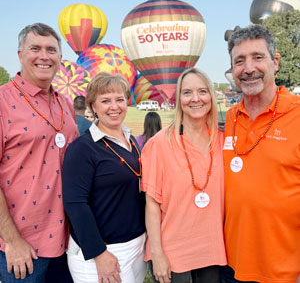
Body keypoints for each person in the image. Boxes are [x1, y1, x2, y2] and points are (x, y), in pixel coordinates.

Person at [222, 24, 300, 283]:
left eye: (258, 57)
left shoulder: (297, 115)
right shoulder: (231, 117)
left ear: (275, 62)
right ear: (232, 69)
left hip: (285, 272)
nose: (248, 68)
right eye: (239, 61)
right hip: (231, 266)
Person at [0, 23, 78, 282]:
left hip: (68, 245)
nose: (44, 56)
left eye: (51, 50)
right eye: (35, 48)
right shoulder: (3, 101)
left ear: (60, 59)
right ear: (20, 55)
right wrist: (12, 241)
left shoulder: (65, 103)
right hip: (21, 249)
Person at [141, 67, 227, 283]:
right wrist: (158, 254)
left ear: (211, 96)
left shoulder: (223, 141)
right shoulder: (159, 144)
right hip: (172, 250)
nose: (195, 99)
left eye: (202, 91)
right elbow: (151, 205)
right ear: (178, 99)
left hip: (212, 248)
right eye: (187, 92)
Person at [62, 72, 147, 283]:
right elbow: (75, 204)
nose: (114, 106)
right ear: (93, 106)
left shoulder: (132, 141)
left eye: (120, 99)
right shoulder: (83, 148)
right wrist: (99, 254)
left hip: (135, 246)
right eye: (105, 101)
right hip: (102, 253)